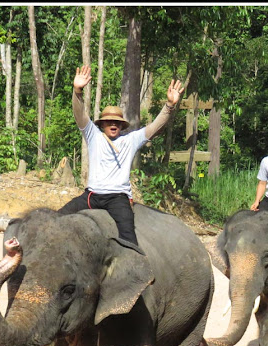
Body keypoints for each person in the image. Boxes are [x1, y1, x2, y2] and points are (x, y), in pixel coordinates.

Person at [58, 65, 184, 251]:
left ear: (121, 125)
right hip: (92, 195)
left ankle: (137, 273)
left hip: (118, 197)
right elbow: (79, 114)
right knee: (56, 220)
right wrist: (77, 91)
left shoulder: (130, 140)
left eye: (117, 122)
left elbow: (155, 127)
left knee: (128, 237)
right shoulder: (93, 135)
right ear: (102, 124)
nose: (113, 125)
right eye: (109, 121)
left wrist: (169, 106)